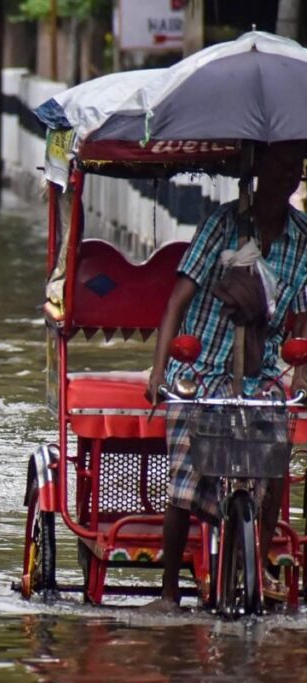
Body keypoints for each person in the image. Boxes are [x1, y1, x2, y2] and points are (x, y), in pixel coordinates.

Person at [145, 140, 307, 610]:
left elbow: (302, 317)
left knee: (275, 462)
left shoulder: (302, 239)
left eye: (295, 168)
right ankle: (170, 592)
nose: (287, 177)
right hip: (203, 368)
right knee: (184, 477)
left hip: (260, 374)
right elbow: (178, 299)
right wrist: (160, 371)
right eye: (278, 166)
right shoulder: (223, 224)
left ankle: (260, 562)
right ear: (258, 170)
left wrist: (300, 374)